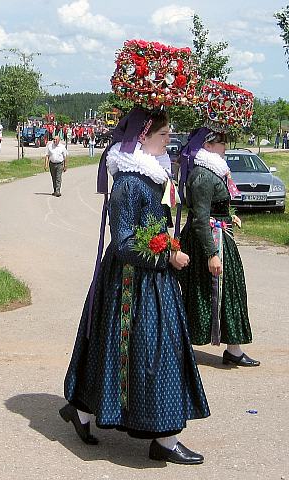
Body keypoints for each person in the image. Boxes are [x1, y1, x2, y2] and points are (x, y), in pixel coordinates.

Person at [61, 108, 209, 465]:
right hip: (130, 281)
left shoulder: (154, 176)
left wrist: (168, 247)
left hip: (154, 280)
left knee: (124, 352)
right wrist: (167, 256)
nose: (169, 142)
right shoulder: (128, 183)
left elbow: (156, 228)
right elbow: (126, 242)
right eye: (163, 136)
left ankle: (87, 412)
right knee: (144, 352)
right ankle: (161, 437)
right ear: (142, 137)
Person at [177, 128, 259, 367]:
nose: (226, 146)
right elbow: (201, 218)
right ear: (208, 146)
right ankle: (186, 345)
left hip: (220, 235)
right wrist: (212, 254)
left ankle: (234, 348)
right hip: (207, 241)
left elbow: (215, 207)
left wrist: (229, 216)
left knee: (230, 292)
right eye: (221, 142)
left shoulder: (214, 171)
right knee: (204, 292)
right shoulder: (202, 175)